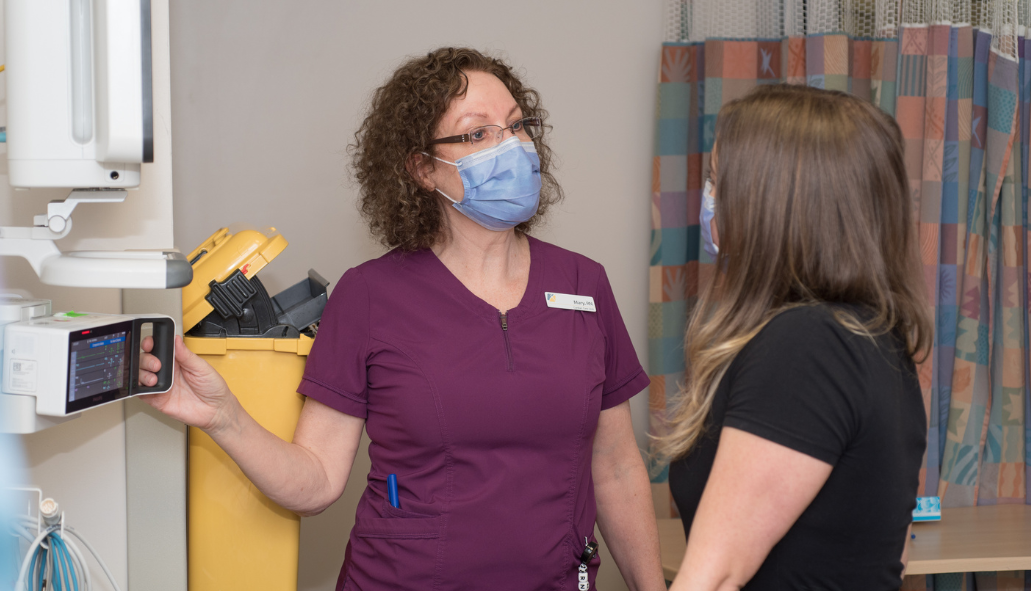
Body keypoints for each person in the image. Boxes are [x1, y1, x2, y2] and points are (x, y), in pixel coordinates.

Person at [139, 47, 665, 591]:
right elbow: (316, 480)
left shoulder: (584, 285)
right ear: (421, 168)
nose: (511, 146)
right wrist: (224, 417)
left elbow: (618, 466)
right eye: (477, 134)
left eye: (516, 126)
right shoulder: (370, 296)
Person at [659, 84, 932, 590]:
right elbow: (894, 549)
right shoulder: (871, 336)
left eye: (719, 182)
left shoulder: (807, 347)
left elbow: (712, 578)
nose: (711, 199)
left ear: (773, 206)